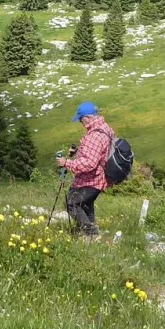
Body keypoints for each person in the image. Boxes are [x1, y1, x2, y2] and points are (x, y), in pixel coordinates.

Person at [58, 101, 115, 238]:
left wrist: (66, 163)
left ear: (88, 117)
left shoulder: (94, 135)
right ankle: (90, 231)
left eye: (81, 119)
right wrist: (79, 152)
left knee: (71, 203)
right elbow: (97, 154)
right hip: (100, 179)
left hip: (91, 180)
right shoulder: (105, 128)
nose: (80, 123)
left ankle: (90, 233)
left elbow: (89, 163)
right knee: (85, 204)